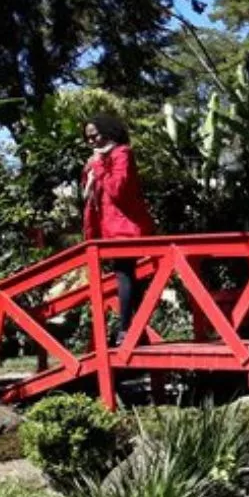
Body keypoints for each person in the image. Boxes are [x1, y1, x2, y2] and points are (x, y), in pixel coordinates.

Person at [82, 112, 156, 346]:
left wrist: (99, 167)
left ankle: (126, 330)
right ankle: (136, 331)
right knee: (128, 277)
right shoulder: (99, 159)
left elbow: (118, 190)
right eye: (88, 138)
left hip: (124, 227)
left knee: (125, 275)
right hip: (108, 228)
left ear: (108, 131)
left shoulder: (122, 153)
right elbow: (90, 194)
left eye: (94, 135)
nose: (91, 141)